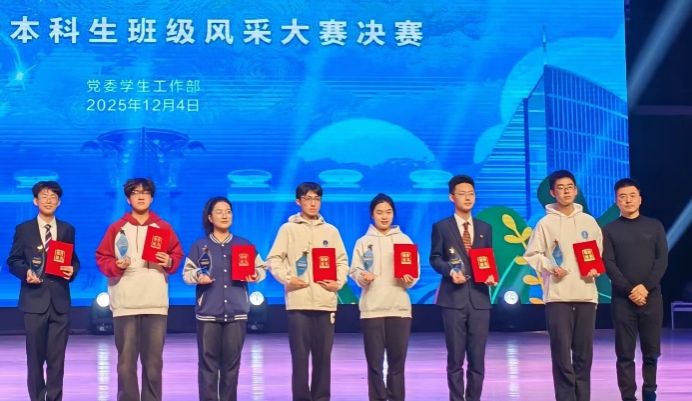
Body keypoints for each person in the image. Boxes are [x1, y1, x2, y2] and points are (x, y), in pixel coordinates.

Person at [95, 178, 184, 401]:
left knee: (153, 363)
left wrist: (169, 261)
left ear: (152, 198)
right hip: (125, 303)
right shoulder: (117, 228)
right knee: (126, 363)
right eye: (135, 192)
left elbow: (176, 256)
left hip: (155, 302)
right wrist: (116, 265)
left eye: (145, 192)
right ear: (128, 199)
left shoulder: (163, 227)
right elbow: (102, 258)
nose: (141, 196)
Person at [524, 169, 602, 401]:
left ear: (576, 190)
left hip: (586, 295)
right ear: (552, 192)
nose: (566, 192)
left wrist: (595, 268)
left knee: (584, 356)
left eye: (570, 187)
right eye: (560, 188)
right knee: (561, 356)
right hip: (558, 297)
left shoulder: (589, 222)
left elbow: (597, 252)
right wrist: (549, 266)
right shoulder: (545, 223)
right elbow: (532, 255)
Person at [266, 181, 348, 401]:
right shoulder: (288, 229)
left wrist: (338, 282)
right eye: (308, 199)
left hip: (325, 302)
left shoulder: (331, 231)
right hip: (298, 302)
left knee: (323, 359)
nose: (313, 203)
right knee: (300, 359)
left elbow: (342, 261)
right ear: (298, 201)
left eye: (317, 199)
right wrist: (287, 279)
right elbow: (273, 259)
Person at [182, 196, 267, 401]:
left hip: (237, 313)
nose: (224, 215)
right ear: (210, 217)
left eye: (228, 211)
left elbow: (261, 268)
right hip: (208, 313)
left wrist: (255, 274)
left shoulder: (244, 244)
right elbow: (187, 274)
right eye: (219, 212)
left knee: (231, 367)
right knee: (208, 366)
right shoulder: (200, 245)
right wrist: (198, 276)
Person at [7, 181, 80, 401]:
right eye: (44, 196)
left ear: (59, 202)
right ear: (35, 201)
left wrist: (72, 270)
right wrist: (26, 272)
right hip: (34, 301)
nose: (49, 200)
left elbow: (73, 260)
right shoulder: (24, 229)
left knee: (57, 361)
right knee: (35, 360)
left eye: (53, 197)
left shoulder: (67, 229)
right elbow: (13, 261)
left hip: (60, 302)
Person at [430, 174, 495, 401]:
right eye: (462, 194)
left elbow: (487, 259)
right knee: (455, 359)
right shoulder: (442, 227)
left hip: (479, 300)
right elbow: (435, 258)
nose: (467, 198)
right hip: (453, 300)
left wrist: (490, 276)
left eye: (471, 193)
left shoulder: (485, 228)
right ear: (452, 197)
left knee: (478, 360)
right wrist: (450, 271)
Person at [349, 193, 419, 401]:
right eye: (379, 212)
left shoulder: (404, 240)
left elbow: (414, 271)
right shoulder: (363, 242)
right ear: (372, 215)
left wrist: (409, 279)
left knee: (397, 364)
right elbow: (354, 270)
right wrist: (363, 277)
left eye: (388, 212)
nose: (384, 216)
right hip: (372, 310)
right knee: (374, 365)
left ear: (394, 214)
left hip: (399, 309)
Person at [603, 178, 668, 401]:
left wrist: (645, 288)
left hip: (652, 298)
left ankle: (649, 392)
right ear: (616, 201)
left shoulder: (655, 226)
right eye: (623, 197)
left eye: (632, 196)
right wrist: (631, 290)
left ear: (640, 199)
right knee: (624, 354)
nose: (628, 200)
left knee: (651, 352)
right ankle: (628, 396)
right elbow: (609, 263)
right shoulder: (609, 230)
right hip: (623, 301)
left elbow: (661, 260)